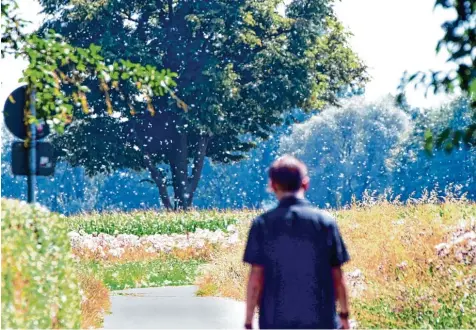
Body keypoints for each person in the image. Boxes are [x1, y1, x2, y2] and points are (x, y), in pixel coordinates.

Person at [243, 155, 351, 329]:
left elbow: (256, 278)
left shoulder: (263, 224)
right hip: (320, 321)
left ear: (272, 185)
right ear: (305, 184)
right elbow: (337, 276)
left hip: (275, 321)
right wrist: (344, 315)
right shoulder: (325, 223)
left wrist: (248, 321)